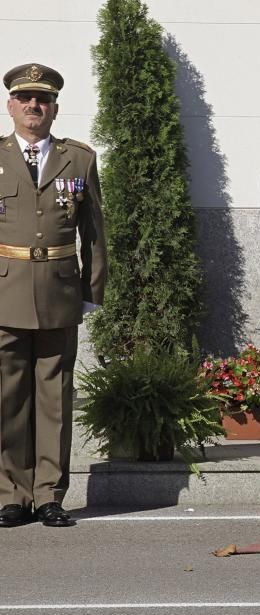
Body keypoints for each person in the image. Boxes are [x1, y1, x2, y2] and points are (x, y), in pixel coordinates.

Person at [0, 63, 107, 528]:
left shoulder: (78, 158)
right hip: (5, 290)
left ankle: (49, 495)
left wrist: (93, 292)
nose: (33, 106)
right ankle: (10, 494)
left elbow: (95, 233)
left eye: (41, 99)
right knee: (8, 398)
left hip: (60, 291)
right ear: (11, 106)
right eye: (24, 98)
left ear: (54, 108)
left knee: (55, 398)